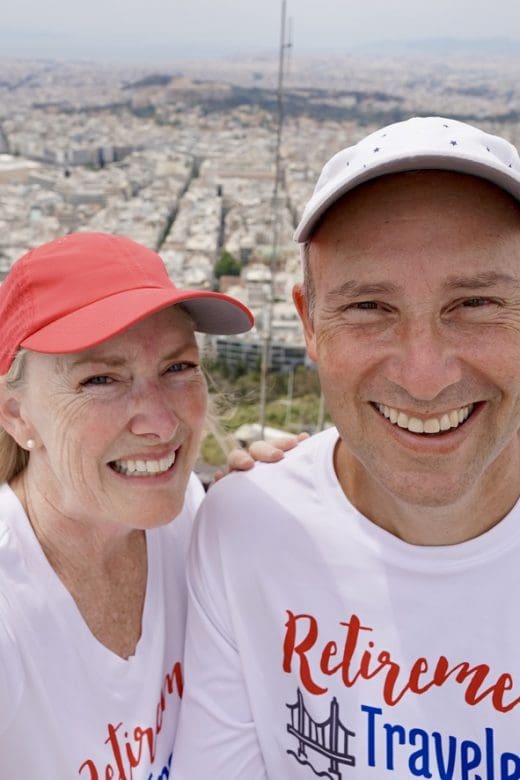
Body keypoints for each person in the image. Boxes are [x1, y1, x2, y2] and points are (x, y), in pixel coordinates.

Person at [174, 116, 520, 778]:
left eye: (474, 303)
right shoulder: (245, 528)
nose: (425, 374)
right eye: (369, 308)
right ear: (308, 323)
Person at [0, 231, 257, 777]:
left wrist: (297, 492)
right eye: (101, 379)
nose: (160, 423)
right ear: (16, 414)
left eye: (178, 368)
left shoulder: (193, 515)